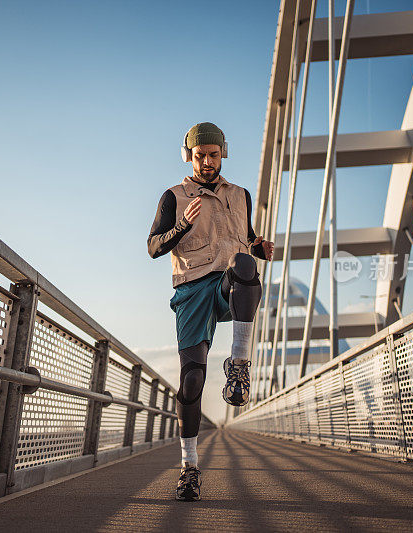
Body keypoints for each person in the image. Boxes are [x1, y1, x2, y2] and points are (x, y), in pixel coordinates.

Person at [147, 122, 274, 501]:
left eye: (213, 154)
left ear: (223, 154)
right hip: (191, 290)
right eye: (200, 155)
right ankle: (189, 468)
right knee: (192, 381)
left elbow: (246, 240)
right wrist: (183, 224)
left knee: (245, 264)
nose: (206, 161)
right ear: (190, 156)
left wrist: (259, 247)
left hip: (227, 284)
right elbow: (153, 247)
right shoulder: (174, 196)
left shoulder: (241, 195)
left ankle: (238, 365)